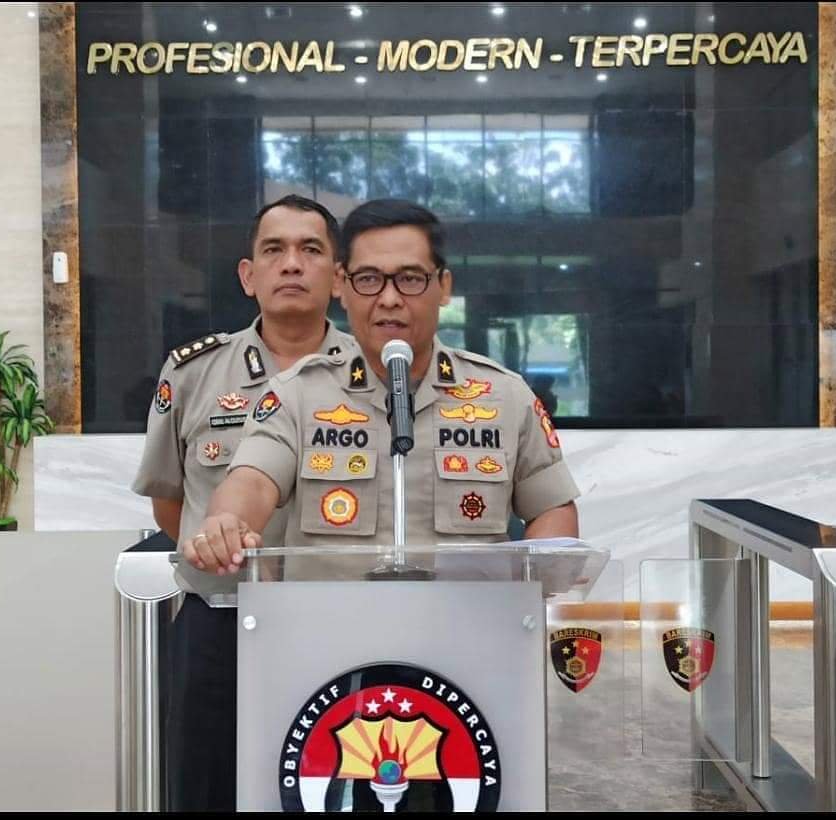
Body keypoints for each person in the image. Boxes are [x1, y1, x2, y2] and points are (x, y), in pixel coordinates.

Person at [182, 198, 579, 578]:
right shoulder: (296, 394)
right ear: (342, 285)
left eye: (410, 279)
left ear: (443, 286)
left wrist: (535, 580)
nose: (389, 299)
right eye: (369, 279)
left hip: (465, 621)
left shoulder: (503, 396)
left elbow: (552, 508)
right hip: (328, 622)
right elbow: (251, 481)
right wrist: (227, 522)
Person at [130, 193, 353, 812]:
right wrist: (222, 551)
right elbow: (172, 506)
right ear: (248, 275)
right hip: (220, 621)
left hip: (342, 618)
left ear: (338, 278)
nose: (292, 263)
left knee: (336, 786)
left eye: (311, 250)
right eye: (274, 250)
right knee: (207, 788)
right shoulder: (194, 374)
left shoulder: (375, 379)